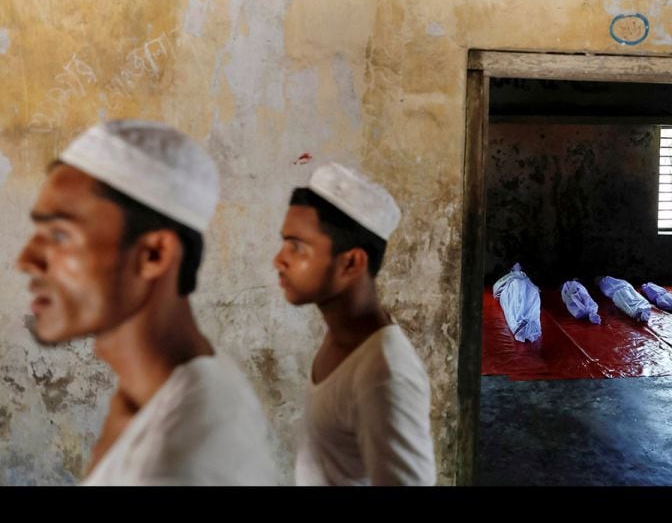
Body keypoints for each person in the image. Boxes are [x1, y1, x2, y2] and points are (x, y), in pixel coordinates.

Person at [17, 119, 277, 485]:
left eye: (60, 234)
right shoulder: (159, 389)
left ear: (154, 254)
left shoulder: (180, 462)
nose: (27, 260)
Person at [274, 162, 436, 485]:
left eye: (298, 246)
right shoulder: (343, 336)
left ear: (351, 262)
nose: (279, 259)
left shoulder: (384, 374)